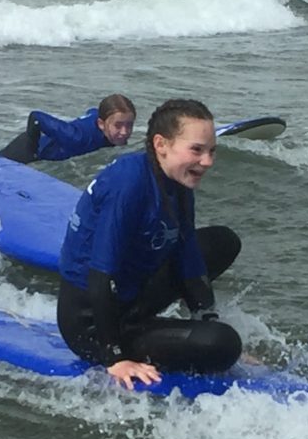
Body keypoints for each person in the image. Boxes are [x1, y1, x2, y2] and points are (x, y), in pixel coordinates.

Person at [57, 98, 242, 389]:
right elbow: (100, 276)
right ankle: (131, 337)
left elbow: (188, 252)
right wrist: (115, 357)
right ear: (161, 144)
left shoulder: (176, 179)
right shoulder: (128, 183)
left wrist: (206, 316)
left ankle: (154, 325)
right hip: (91, 322)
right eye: (197, 150)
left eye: (211, 151)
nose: (207, 161)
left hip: (130, 296)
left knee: (222, 242)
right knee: (224, 344)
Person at [0, 94, 136, 164]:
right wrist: (32, 151)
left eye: (129, 125)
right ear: (101, 124)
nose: (124, 132)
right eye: (118, 125)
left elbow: (92, 111)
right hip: (22, 152)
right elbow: (36, 117)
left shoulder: (106, 127)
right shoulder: (76, 138)